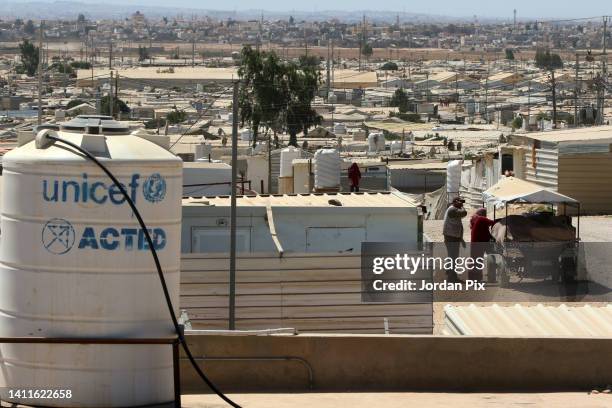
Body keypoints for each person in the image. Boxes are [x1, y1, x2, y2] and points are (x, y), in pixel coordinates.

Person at [443, 196, 467, 282]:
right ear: (455, 201)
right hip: (451, 237)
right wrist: (462, 206)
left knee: (452, 256)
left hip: (453, 236)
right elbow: (464, 213)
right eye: (460, 202)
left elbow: (458, 225)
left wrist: (461, 239)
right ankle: (452, 277)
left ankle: (450, 273)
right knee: (453, 257)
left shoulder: (454, 209)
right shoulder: (452, 210)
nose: (462, 203)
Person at [469, 208, 495, 281]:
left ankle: (474, 279)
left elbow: (485, 231)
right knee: (480, 261)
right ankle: (476, 279)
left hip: (477, 242)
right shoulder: (481, 219)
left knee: (475, 260)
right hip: (480, 243)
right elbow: (492, 222)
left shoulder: (475, 219)